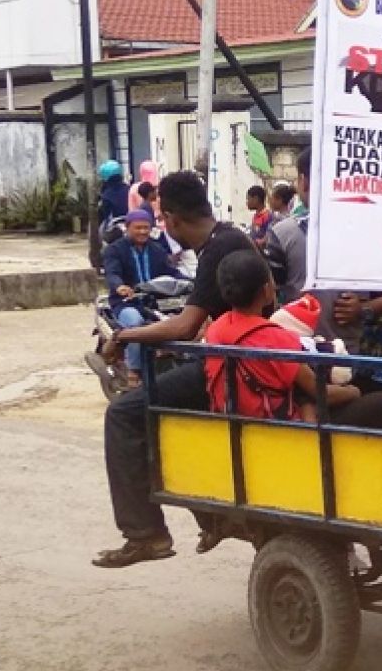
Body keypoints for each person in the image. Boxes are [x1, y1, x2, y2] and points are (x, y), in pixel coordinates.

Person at [93, 170, 256, 569]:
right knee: (167, 410)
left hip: (235, 365)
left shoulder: (219, 249)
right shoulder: (227, 239)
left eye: (163, 220)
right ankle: (210, 515)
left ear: (172, 217)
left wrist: (127, 336)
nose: (162, 227)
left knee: (124, 414)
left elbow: (184, 325)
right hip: (237, 356)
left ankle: (145, 534)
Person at [204, 251, 382, 429]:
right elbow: (320, 392)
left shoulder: (214, 330)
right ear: (266, 291)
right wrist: (354, 391)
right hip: (282, 429)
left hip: (233, 423)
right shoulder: (278, 338)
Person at [102, 209, 180, 388]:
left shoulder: (157, 249)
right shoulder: (115, 250)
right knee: (136, 324)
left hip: (155, 303)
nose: (143, 232)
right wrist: (120, 286)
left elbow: (171, 271)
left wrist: (191, 279)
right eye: (138, 228)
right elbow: (112, 273)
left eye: (146, 228)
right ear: (127, 228)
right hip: (125, 303)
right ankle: (134, 370)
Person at [266, 151, 311, 302]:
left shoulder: (282, 232)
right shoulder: (362, 230)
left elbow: (273, 288)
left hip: (294, 322)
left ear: (303, 181)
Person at [97, 160, 129, 227]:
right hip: (131, 222)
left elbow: (105, 216)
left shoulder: (106, 194)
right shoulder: (129, 189)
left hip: (115, 227)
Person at [246, 185, 273, 249]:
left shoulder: (268, 216)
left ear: (256, 199)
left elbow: (269, 238)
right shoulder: (256, 216)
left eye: (248, 199)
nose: (247, 202)